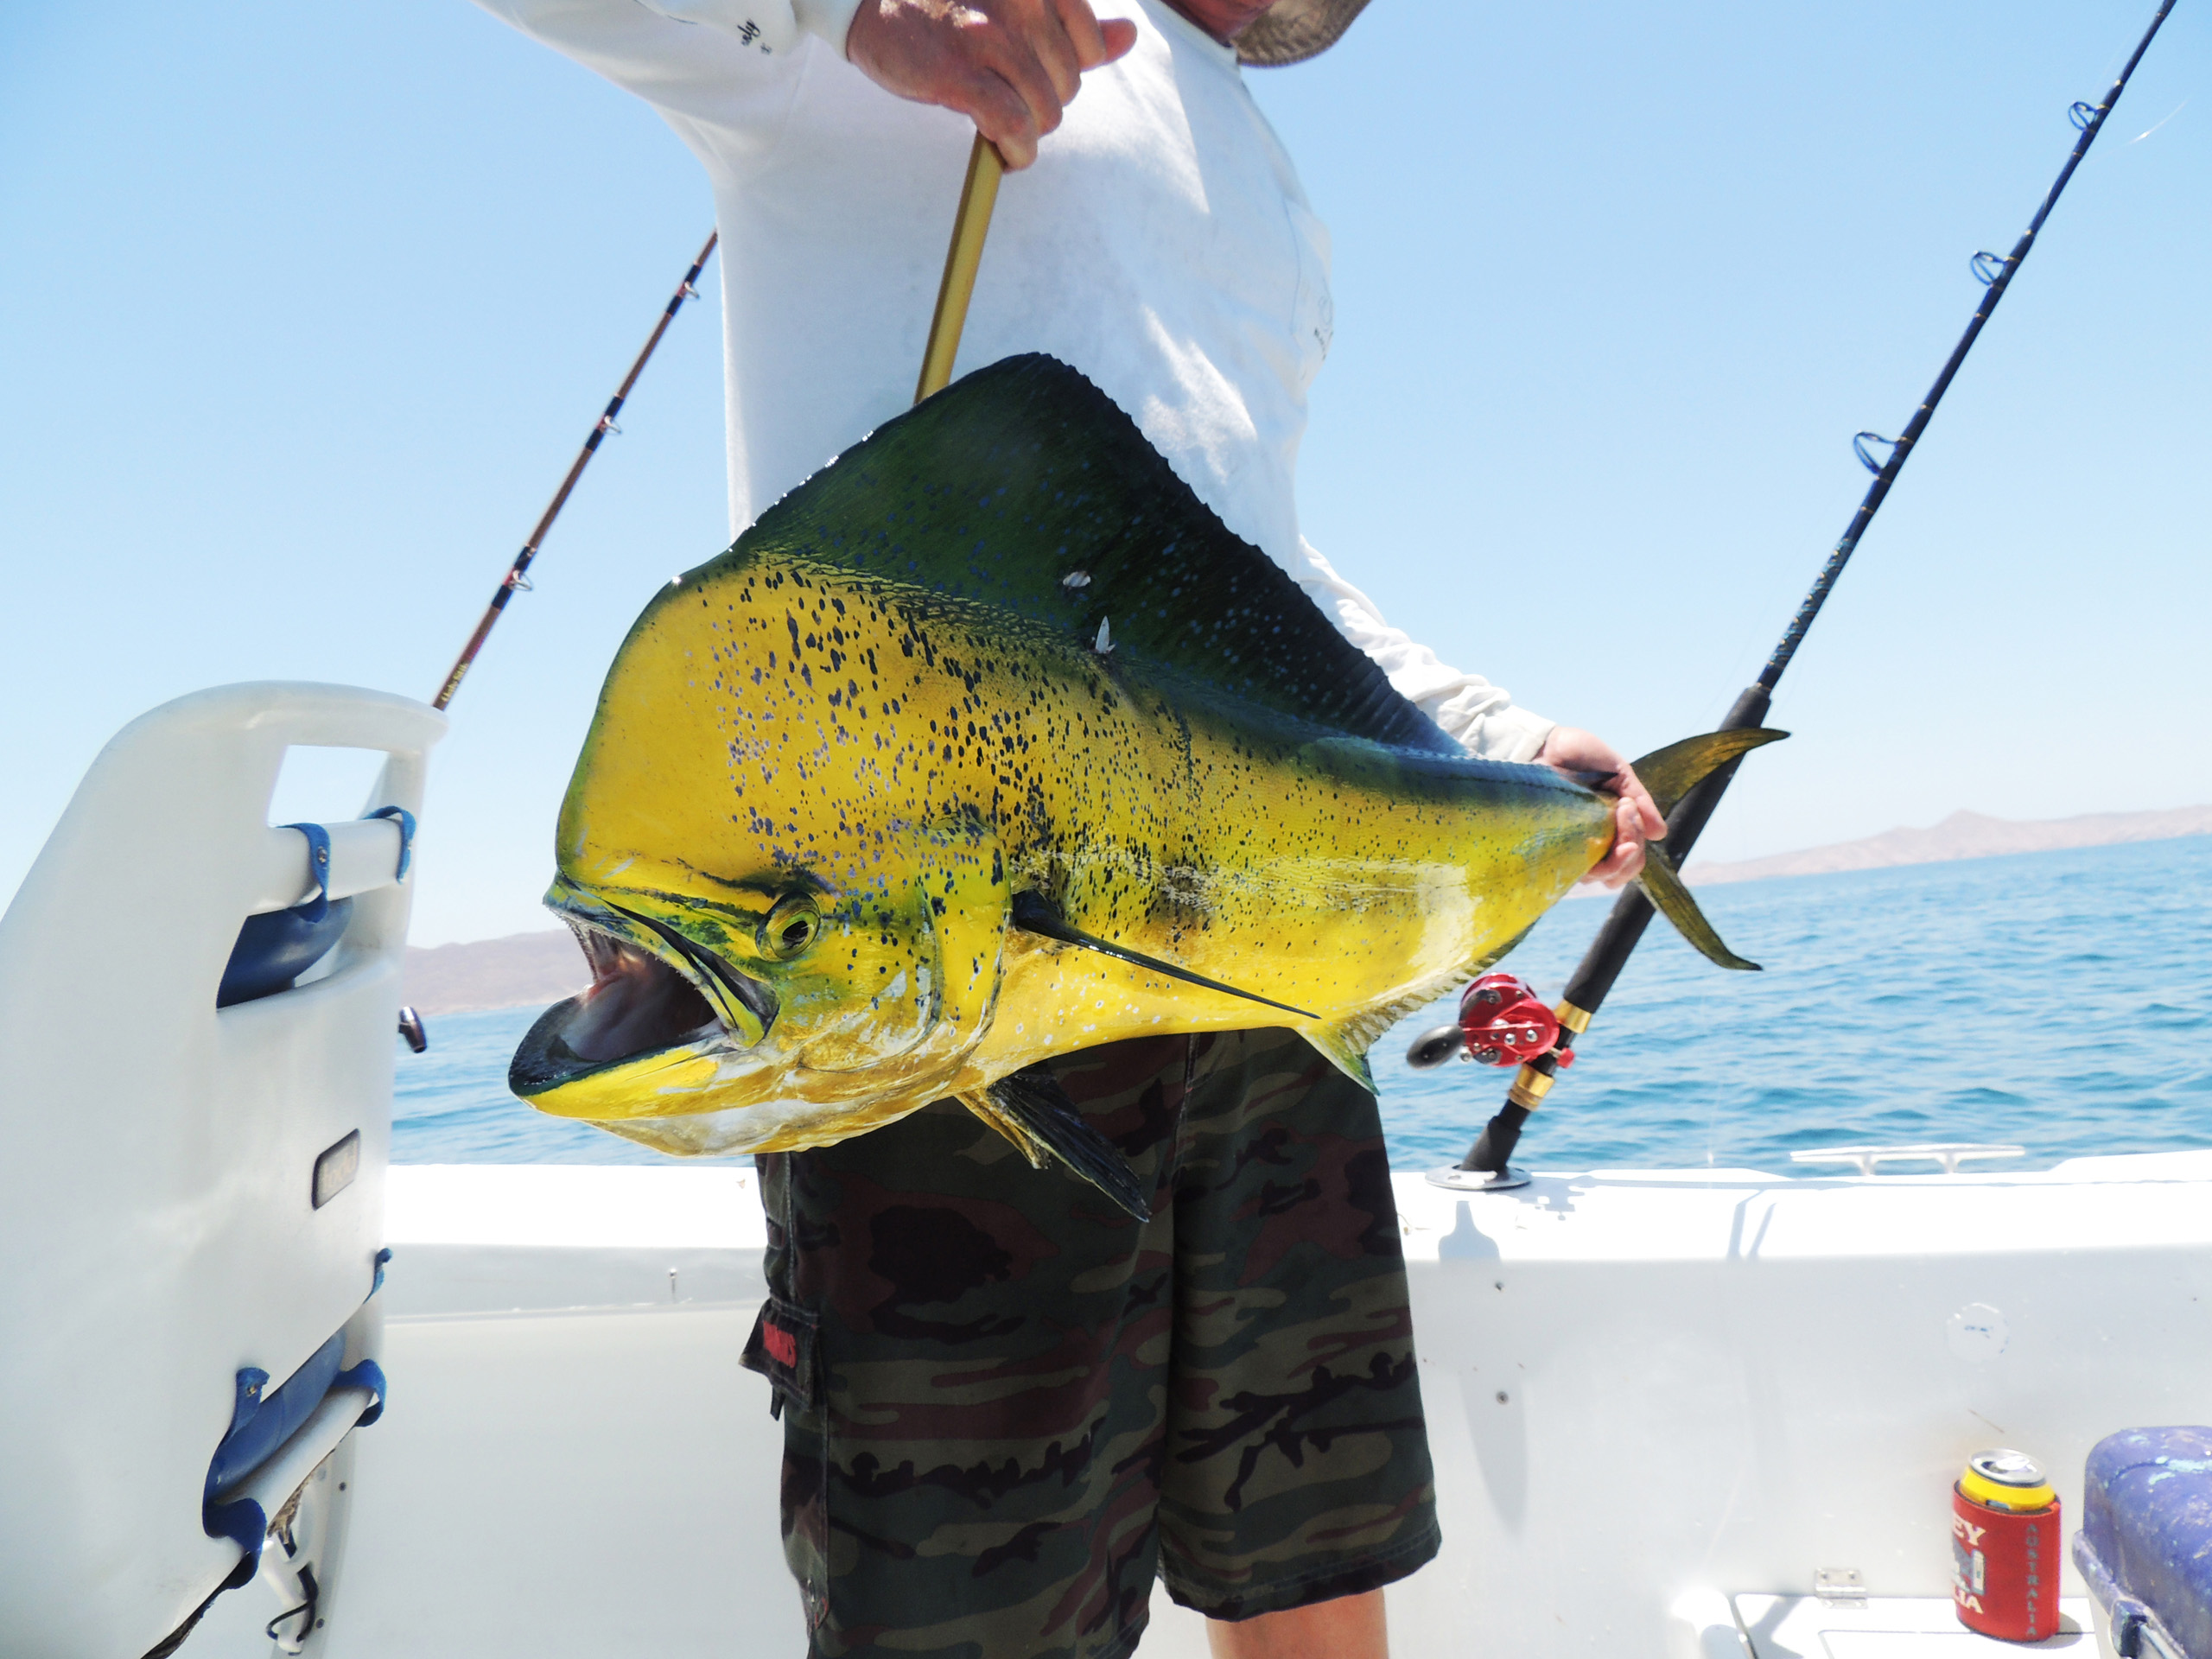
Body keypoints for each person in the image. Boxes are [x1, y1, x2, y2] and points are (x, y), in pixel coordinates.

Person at [474, 1, 1666, 1654]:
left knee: (1315, 1561)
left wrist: (1501, 741)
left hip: (1263, 960)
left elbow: (1250, 569)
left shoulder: (1261, 172)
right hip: (930, 971)